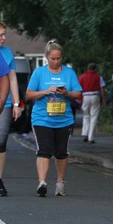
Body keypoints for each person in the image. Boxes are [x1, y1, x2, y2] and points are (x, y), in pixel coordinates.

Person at [26, 39, 82, 197]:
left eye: (58, 58)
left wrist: (66, 93)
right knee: (44, 150)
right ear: (47, 57)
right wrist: (45, 91)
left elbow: (78, 94)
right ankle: (42, 182)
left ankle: (60, 183)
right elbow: (29, 94)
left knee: (61, 152)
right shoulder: (39, 73)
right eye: (53, 59)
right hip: (42, 118)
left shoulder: (69, 73)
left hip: (64, 119)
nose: (56, 62)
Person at [0, 21, 22, 196]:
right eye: (0, 35)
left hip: (4, 103)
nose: (4, 38)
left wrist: (16, 104)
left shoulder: (7, 53)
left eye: (5, 35)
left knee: (1, 140)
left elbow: (11, 79)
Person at [79, 63, 106, 144]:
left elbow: (79, 88)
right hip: (95, 96)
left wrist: (79, 98)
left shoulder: (82, 77)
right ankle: (91, 137)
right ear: (95, 69)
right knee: (94, 116)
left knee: (86, 116)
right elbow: (101, 88)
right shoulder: (98, 77)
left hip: (85, 96)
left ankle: (85, 134)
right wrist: (103, 99)